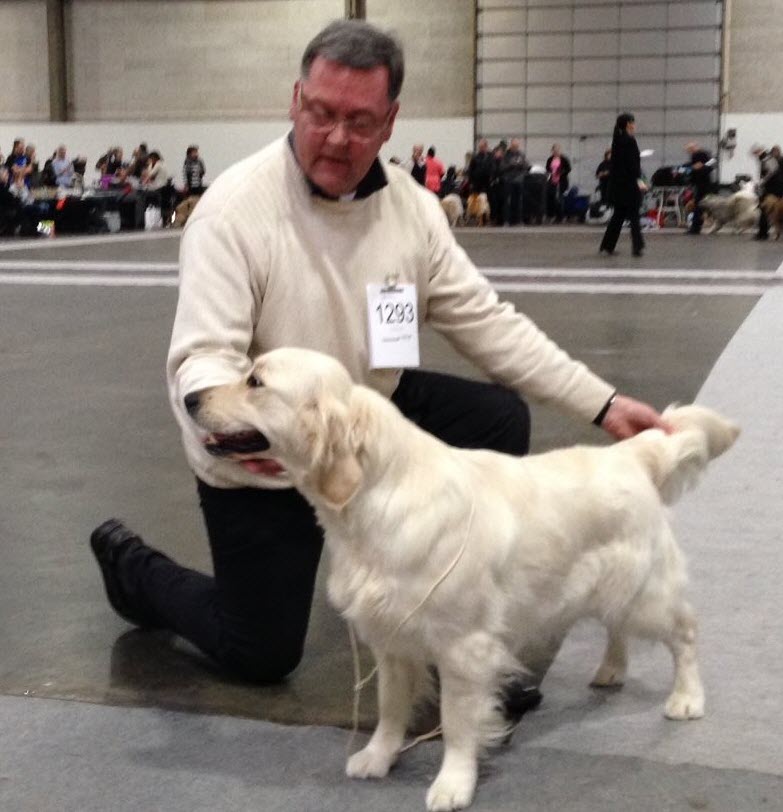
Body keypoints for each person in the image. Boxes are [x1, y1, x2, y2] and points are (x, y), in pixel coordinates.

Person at [90, 21, 667, 715]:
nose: (336, 138)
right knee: (261, 653)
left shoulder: (412, 211)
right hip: (261, 450)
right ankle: (133, 570)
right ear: (295, 101)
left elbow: (486, 322)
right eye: (321, 114)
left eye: (359, 122)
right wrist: (239, 431)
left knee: (495, 418)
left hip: (364, 412)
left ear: (390, 121)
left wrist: (603, 405)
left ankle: (452, 613)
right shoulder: (235, 211)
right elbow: (202, 358)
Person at [600, 113, 646, 257]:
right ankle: (637, 246)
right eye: (633, 122)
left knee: (618, 217)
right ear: (628, 124)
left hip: (618, 187)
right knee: (634, 217)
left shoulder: (617, 140)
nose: (634, 125)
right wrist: (639, 181)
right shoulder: (630, 141)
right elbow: (632, 165)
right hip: (629, 186)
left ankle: (607, 245)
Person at [500, 137, 530, 225]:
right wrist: (511, 165)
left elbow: (527, 165)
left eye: (516, 146)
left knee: (518, 201)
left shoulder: (521, 154)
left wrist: (521, 165)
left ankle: (518, 220)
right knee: (507, 201)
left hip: (519, 180)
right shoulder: (506, 155)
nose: (515, 148)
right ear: (511, 146)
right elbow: (501, 167)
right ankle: (506, 221)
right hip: (508, 180)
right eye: (513, 146)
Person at [685, 141, 713, 235]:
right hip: (702, 183)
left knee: (698, 205)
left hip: (702, 184)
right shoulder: (704, 154)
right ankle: (696, 226)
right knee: (699, 205)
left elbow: (704, 167)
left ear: (694, 147)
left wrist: (700, 167)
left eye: (689, 149)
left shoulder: (700, 154)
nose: (689, 151)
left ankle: (695, 227)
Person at [545, 143, 570, 223]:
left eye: (557, 150)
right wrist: (550, 172)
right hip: (552, 181)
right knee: (551, 198)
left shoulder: (564, 159)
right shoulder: (550, 159)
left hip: (561, 181)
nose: (556, 152)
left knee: (560, 199)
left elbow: (568, 168)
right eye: (554, 150)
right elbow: (547, 168)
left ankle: (560, 216)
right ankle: (551, 215)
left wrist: (561, 172)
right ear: (552, 151)